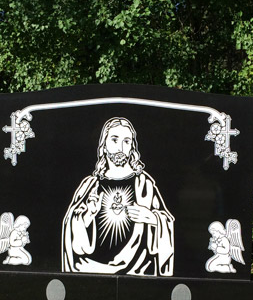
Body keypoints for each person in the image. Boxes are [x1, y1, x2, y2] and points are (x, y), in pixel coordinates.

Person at [62, 117, 174, 275]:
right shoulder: (90, 185)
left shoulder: (144, 184)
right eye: (115, 140)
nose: (120, 147)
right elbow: (71, 229)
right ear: (104, 144)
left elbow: (166, 221)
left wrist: (151, 218)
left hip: (138, 268)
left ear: (132, 148)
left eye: (127, 141)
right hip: (91, 269)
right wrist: (87, 215)